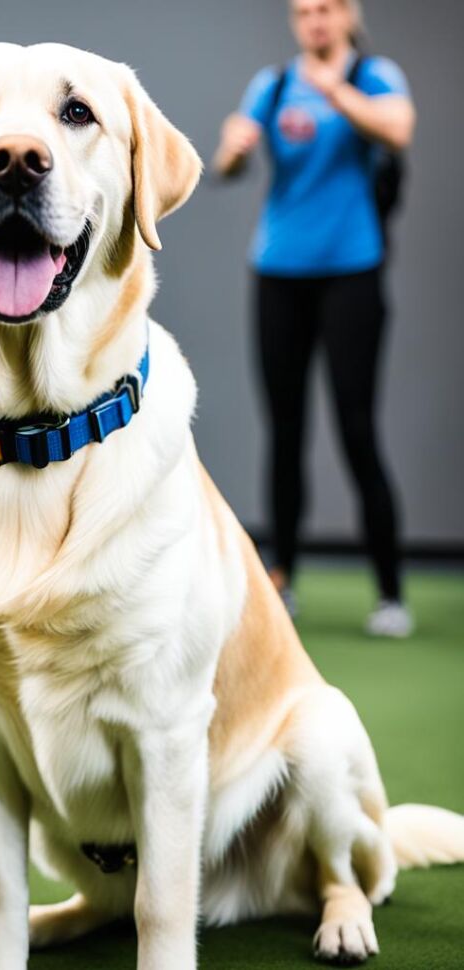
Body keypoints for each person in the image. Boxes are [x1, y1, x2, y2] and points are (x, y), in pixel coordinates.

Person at [213, 0, 416, 636]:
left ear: (349, 14)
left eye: (327, 10)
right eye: (305, 13)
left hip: (351, 271)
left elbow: (399, 130)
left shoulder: (374, 76)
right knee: (285, 430)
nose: (316, 22)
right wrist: (235, 147)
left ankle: (389, 595)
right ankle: (286, 580)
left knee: (357, 429)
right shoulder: (271, 86)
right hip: (278, 272)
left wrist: (336, 91)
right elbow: (226, 164)